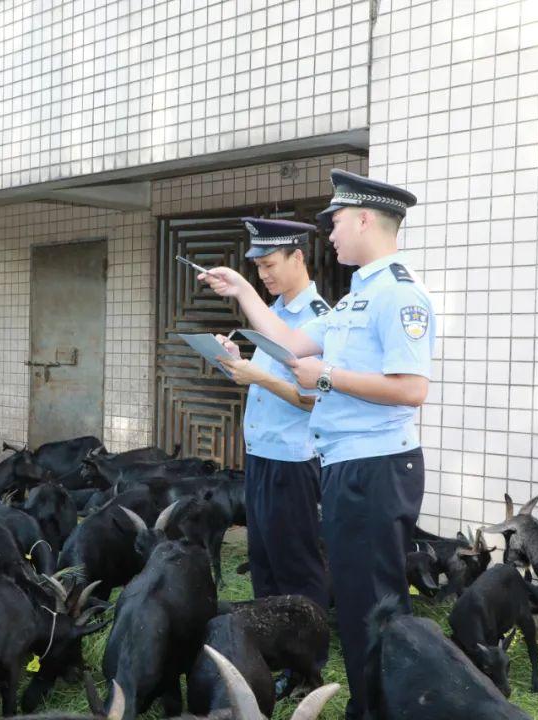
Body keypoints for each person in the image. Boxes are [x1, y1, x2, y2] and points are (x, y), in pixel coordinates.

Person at [200, 170, 433, 720]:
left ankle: (384, 708)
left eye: (334, 223)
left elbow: (412, 389)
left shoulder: (399, 294)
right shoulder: (360, 296)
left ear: (364, 219)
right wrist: (241, 290)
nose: (328, 234)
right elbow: (285, 344)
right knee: (354, 605)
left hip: (378, 468)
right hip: (348, 467)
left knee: (376, 606)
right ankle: (367, 705)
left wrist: (324, 376)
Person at [215, 217, 332, 688]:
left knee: (296, 569)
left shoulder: (320, 318)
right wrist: (236, 365)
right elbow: (265, 382)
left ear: (298, 257)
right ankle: (273, 656)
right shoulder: (275, 314)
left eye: (269, 264)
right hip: (261, 457)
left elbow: (314, 398)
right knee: (263, 563)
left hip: (293, 462)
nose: (263, 275)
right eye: (257, 268)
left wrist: (258, 376)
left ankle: (308, 669)